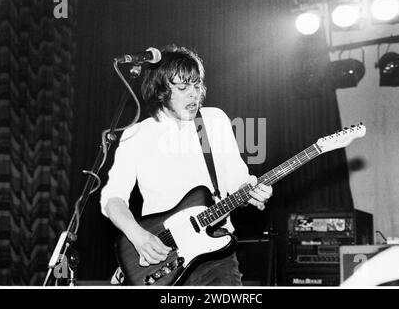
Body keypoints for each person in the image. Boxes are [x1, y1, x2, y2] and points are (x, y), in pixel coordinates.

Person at [100, 45, 273, 286]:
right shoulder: (137, 134)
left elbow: (236, 180)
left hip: (216, 250)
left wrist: (251, 192)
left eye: (197, 85)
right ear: (161, 91)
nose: (194, 94)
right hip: (162, 257)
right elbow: (112, 198)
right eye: (182, 87)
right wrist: (138, 236)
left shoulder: (213, 121)